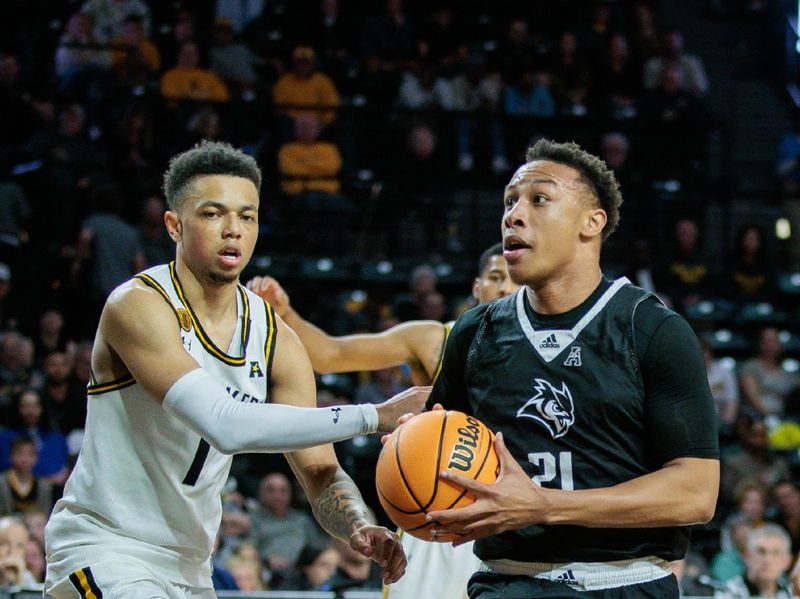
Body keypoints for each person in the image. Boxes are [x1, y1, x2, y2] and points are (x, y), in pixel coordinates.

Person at [44, 141, 428, 598]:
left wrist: (359, 525)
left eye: (247, 216)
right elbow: (224, 424)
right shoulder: (139, 305)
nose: (233, 230)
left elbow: (320, 471)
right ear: (174, 225)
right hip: (106, 549)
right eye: (212, 214)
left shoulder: (274, 337)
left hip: (191, 566)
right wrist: (375, 415)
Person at [423, 139, 719, 598]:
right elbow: (437, 463)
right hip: (505, 582)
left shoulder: (652, 328)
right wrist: (406, 466)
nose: (513, 215)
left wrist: (544, 506)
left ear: (592, 222)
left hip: (624, 581)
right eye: (510, 201)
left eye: (539, 199)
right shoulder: (474, 332)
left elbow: (695, 494)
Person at [247, 243, 517, 599]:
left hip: (511, 517)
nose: (504, 288)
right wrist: (287, 314)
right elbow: (331, 354)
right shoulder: (437, 338)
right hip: (436, 515)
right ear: (475, 286)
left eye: (513, 279)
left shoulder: (547, 352)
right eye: (495, 277)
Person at [715, 524, 794, 598]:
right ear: (747, 556)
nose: (767, 560)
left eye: (776, 553)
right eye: (761, 552)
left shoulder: (793, 592)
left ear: (787, 561)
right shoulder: (727, 592)